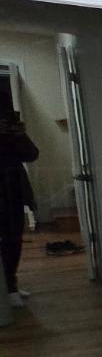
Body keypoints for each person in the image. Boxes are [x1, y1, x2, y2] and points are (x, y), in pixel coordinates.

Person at [0, 107, 38, 306]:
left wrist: (20, 134)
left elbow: (32, 155)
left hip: (13, 191)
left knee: (14, 240)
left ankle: (11, 283)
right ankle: (6, 286)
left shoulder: (12, 135)